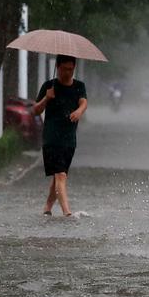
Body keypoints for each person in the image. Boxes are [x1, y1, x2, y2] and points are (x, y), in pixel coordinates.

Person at [33, 54, 88, 216]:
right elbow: (35, 110)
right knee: (61, 175)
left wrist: (79, 111)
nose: (67, 73)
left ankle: (47, 208)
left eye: (70, 69)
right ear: (57, 67)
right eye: (64, 69)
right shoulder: (49, 86)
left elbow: (84, 102)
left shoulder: (79, 86)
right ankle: (67, 213)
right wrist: (46, 98)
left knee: (59, 176)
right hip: (51, 138)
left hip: (69, 139)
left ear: (74, 68)